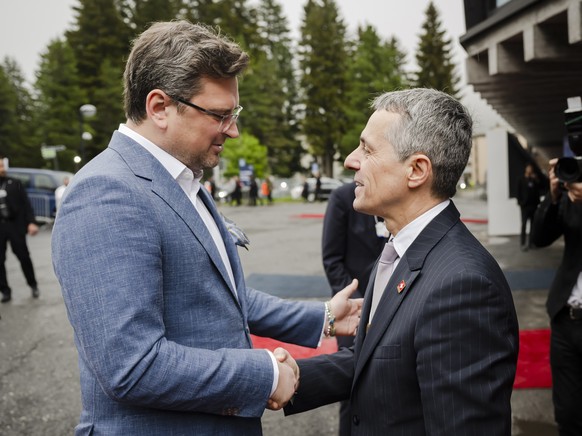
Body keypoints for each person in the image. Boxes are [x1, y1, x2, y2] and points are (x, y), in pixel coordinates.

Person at [51, 21, 361, 435]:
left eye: (234, 113)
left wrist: (323, 316)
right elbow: (132, 366)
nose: (233, 129)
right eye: (219, 114)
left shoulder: (182, 178)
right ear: (159, 107)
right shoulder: (108, 193)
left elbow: (217, 296)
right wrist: (265, 373)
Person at [284, 88, 519, 434]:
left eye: (367, 149)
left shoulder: (463, 286)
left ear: (416, 171)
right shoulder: (405, 247)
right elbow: (382, 357)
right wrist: (293, 379)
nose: (351, 160)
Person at [321, 180, 386, 435]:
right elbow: (332, 259)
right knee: (352, 389)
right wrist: (360, 305)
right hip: (354, 310)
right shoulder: (342, 197)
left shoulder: (394, 193)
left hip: (394, 302)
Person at [530, 157, 582, 435]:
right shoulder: (570, 199)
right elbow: (539, 238)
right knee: (568, 412)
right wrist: (552, 197)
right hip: (566, 316)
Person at [0, 157, 40, 303]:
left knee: (23, 256)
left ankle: (33, 284)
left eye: (2, 165)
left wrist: (31, 222)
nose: (2, 169)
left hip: (15, 225)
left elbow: (26, 204)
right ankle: (5, 290)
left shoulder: (14, 183)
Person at [517, 163, 543, 251]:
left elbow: (540, 188)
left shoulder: (534, 180)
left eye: (531, 168)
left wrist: (536, 179)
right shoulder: (521, 179)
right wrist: (520, 203)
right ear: (526, 169)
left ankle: (531, 243)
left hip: (534, 205)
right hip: (525, 206)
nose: (530, 170)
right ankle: (523, 244)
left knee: (533, 225)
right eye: (529, 168)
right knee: (524, 225)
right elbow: (518, 192)